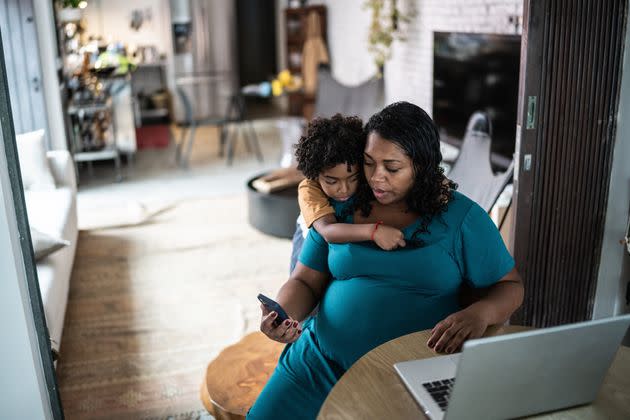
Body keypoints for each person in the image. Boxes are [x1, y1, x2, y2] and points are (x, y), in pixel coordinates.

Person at [247, 102, 524, 420]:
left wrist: (481, 312)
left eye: (392, 168)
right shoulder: (342, 202)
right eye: (368, 163)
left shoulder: (462, 218)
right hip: (318, 364)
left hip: (406, 377)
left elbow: (510, 286)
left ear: (421, 166)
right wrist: (284, 316)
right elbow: (305, 280)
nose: (376, 178)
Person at [294, 113, 406, 252]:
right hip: (311, 236)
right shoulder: (309, 189)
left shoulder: (367, 174)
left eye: (353, 178)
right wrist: (374, 231)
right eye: (331, 181)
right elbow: (327, 230)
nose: (344, 189)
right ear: (316, 175)